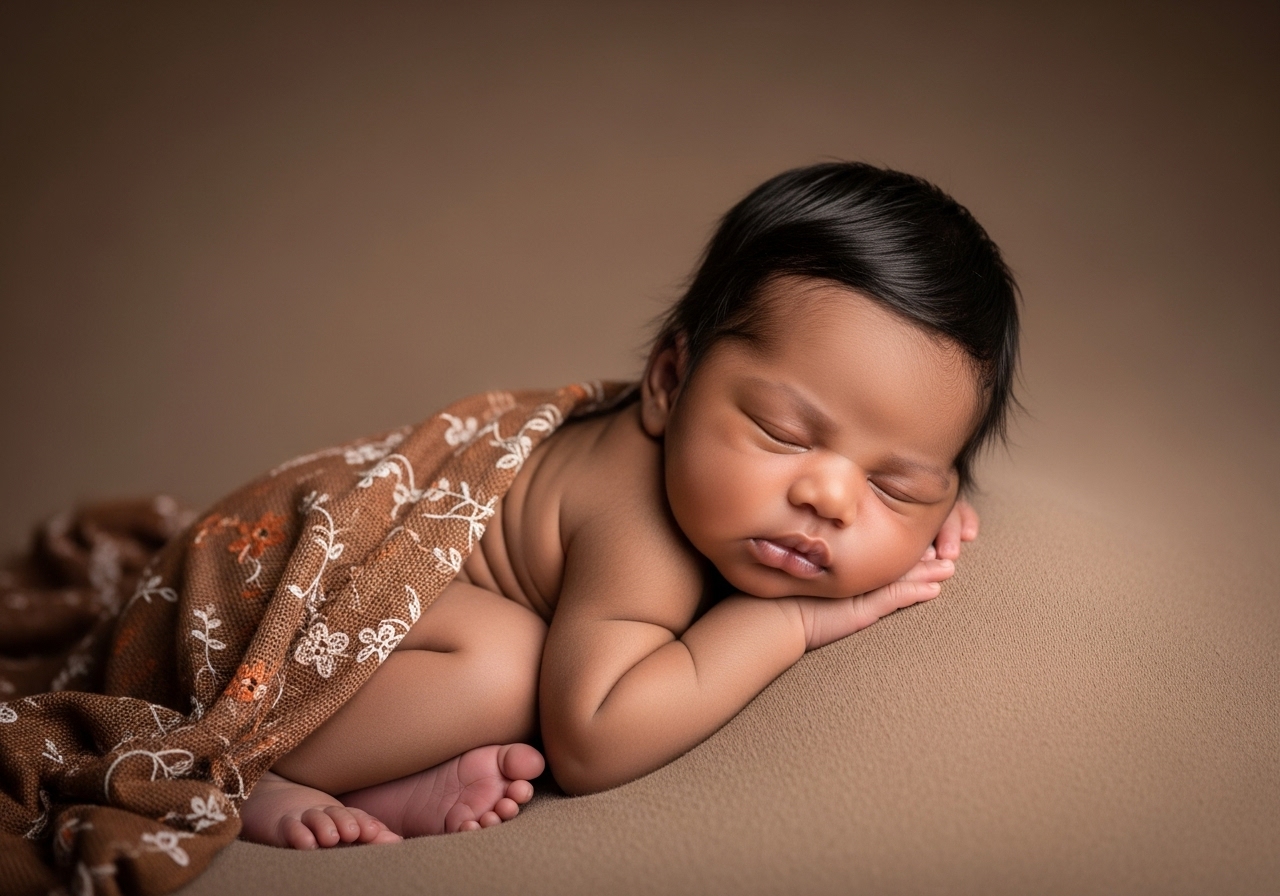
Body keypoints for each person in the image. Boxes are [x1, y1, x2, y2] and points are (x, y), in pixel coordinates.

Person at [239, 161, 1020, 848]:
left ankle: (376, 774)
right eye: (783, 434)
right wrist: (788, 621)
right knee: (509, 663)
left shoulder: (760, 498)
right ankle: (259, 766)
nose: (831, 498)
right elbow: (591, 741)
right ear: (671, 384)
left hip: (400, 635)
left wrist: (918, 514)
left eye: (896, 484)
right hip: (283, 607)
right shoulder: (638, 526)